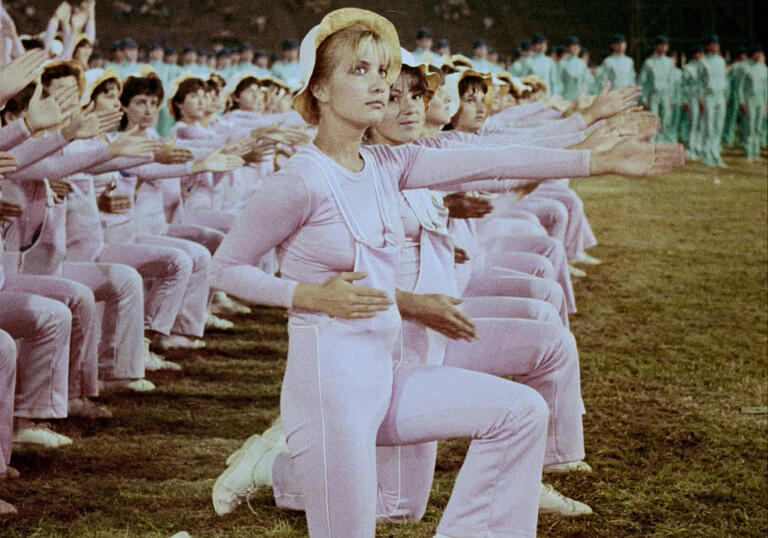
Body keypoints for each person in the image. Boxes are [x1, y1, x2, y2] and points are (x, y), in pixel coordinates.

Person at [208, 8, 685, 537]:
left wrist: (597, 162)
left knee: (519, 412)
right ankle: (276, 467)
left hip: (388, 375)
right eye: (359, 71)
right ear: (318, 88)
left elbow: (488, 157)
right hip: (330, 393)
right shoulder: (300, 181)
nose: (381, 86)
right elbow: (225, 269)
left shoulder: (391, 164)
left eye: (382, 72)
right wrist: (311, 295)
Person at [696, 34, 728, 166]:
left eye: (717, 44)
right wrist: (700, 100)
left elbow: (724, 79)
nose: (715, 46)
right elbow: (699, 83)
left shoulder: (721, 61)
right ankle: (706, 156)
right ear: (708, 46)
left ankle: (716, 155)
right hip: (708, 96)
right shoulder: (703, 62)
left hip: (720, 95)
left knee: (718, 126)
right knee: (708, 127)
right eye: (713, 44)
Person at [638, 35, 675, 143]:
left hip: (666, 94)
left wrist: (671, 99)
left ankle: (662, 144)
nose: (663, 47)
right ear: (656, 47)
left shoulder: (669, 62)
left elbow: (671, 82)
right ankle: (652, 145)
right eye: (661, 45)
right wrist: (643, 98)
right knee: (653, 120)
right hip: (653, 94)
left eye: (665, 45)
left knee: (665, 121)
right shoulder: (649, 62)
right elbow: (642, 81)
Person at [738, 44, 767, 161]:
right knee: (750, 127)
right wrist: (741, 102)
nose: (758, 55)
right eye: (756, 53)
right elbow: (740, 87)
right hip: (750, 100)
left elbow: (766, 87)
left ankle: (756, 152)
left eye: (760, 53)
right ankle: (749, 152)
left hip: (761, 100)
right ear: (752, 55)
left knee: (758, 127)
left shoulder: (764, 69)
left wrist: (766, 102)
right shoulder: (746, 69)